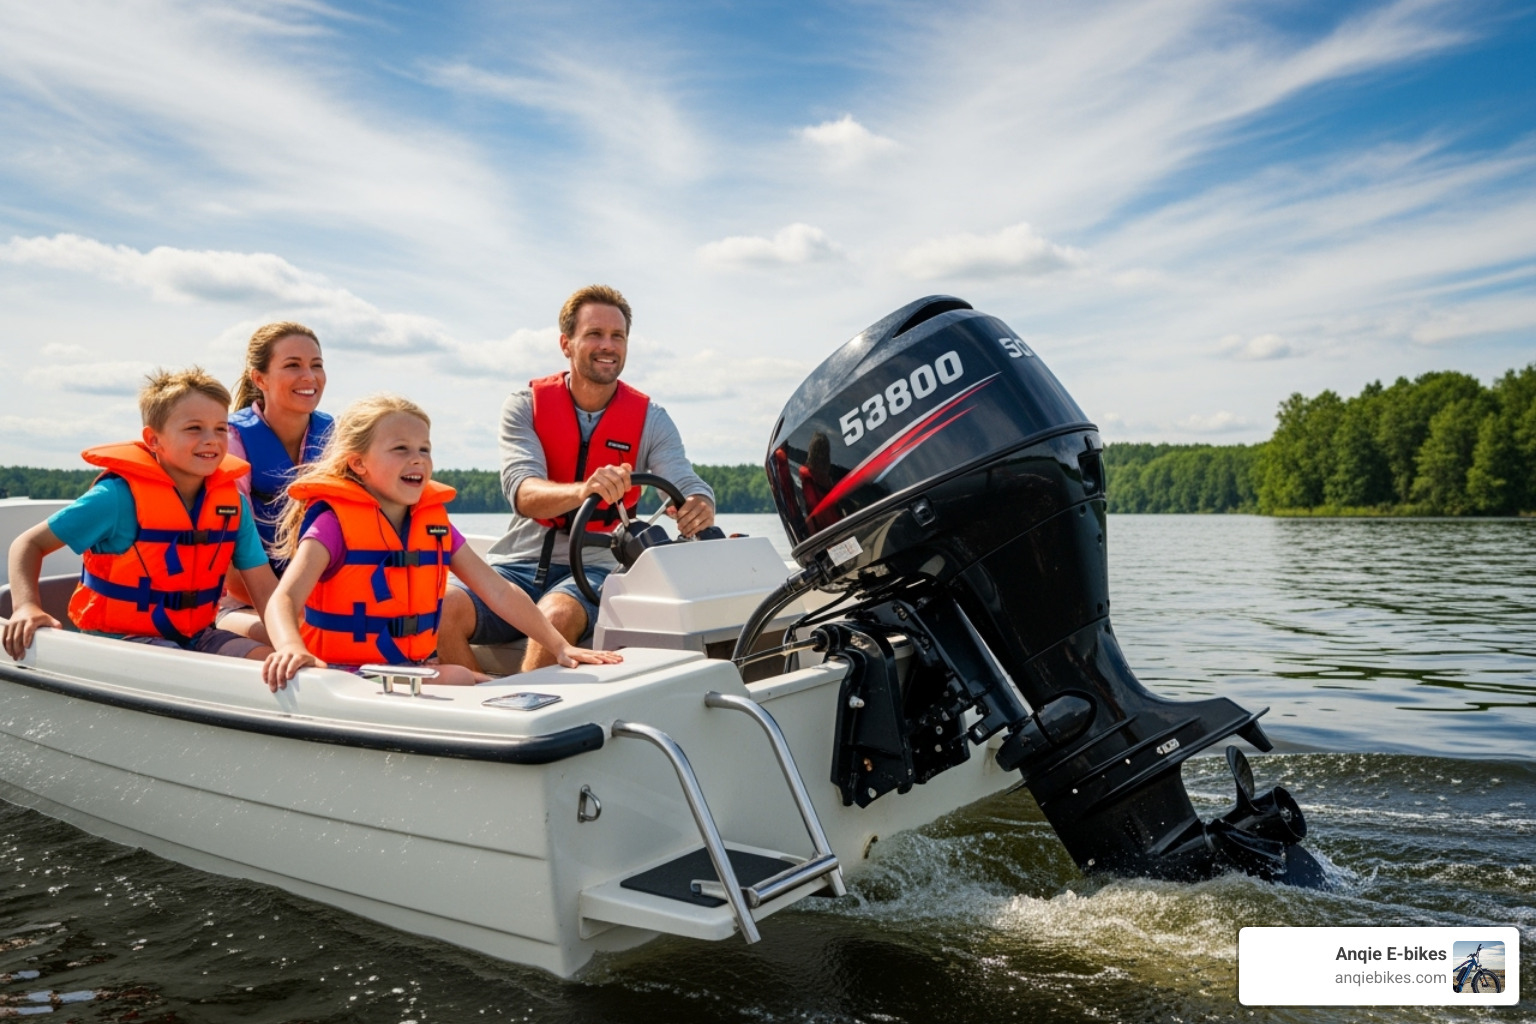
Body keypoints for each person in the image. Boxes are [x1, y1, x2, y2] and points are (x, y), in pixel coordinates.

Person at [437, 285, 715, 673]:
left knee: (555, 615)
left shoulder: (651, 418)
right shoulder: (525, 406)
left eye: (618, 336)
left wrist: (700, 503)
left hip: (597, 568)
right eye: (595, 335)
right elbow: (523, 491)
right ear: (566, 344)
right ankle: (484, 705)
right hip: (518, 562)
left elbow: (685, 481)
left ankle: (525, 710)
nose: (608, 345)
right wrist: (584, 489)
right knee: (442, 607)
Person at [260, 394, 622, 692]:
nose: (417, 458)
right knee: (464, 679)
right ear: (358, 463)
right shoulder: (332, 524)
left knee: (470, 680)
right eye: (400, 449)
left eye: (424, 449)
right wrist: (291, 648)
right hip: (344, 677)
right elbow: (285, 599)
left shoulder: (434, 525)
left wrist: (560, 646)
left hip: (408, 670)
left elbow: (498, 591)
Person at [3, 368, 278, 664]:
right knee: (185, 668)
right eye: (194, 428)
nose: (211, 439)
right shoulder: (116, 498)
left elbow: (264, 587)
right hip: (122, 643)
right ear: (153, 439)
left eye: (220, 428)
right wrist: (27, 607)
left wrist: (291, 645)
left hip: (199, 636)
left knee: (274, 665)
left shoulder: (231, 505)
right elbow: (28, 544)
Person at [218, 322, 333, 643]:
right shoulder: (232, 440)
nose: (309, 376)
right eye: (292, 365)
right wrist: (292, 615)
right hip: (241, 604)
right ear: (260, 378)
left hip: (318, 603)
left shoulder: (337, 439)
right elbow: (231, 563)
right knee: (311, 641)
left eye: (317, 365)